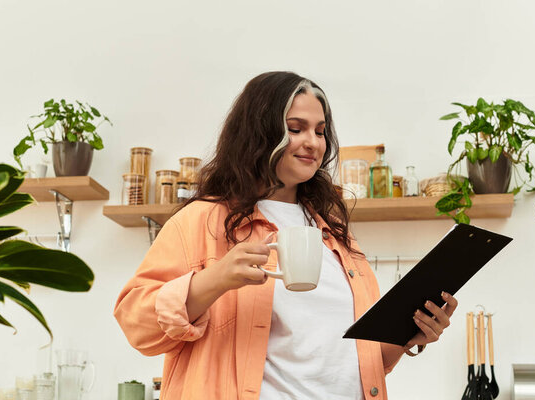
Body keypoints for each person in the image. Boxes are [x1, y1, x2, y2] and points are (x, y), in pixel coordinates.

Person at [114, 71, 458, 400]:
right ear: (257, 133)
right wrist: (213, 280)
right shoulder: (203, 219)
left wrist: (407, 335)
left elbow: (349, 363)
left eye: (320, 131)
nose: (313, 142)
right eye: (296, 128)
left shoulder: (336, 234)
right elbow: (136, 324)